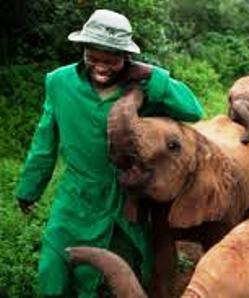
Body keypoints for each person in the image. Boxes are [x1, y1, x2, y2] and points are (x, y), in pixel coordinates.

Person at [15, 9, 204, 298]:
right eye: (94, 57)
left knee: (118, 275)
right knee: (52, 273)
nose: (102, 66)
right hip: (75, 198)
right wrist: (29, 189)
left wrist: (153, 76)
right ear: (83, 50)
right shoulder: (59, 82)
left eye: (112, 59)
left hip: (124, 201)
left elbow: (193, 110)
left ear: (126, 58)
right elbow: (44, 143)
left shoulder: (141, 90)